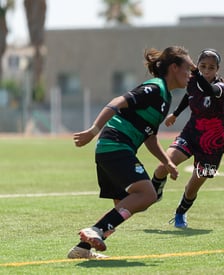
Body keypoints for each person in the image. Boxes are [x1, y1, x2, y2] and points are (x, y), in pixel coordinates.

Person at [67, 46, 196, 259]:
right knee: (147, 194)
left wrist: (167, 162)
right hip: (116, 145)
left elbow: (150, 136)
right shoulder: (155, 88)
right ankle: (96, 230)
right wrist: (93, 130)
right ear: (174, 67)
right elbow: (118, 101)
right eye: (188, 69)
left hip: (112, 148)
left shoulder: (166, 98)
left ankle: (82, 248)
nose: (190, 75)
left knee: (125, 205)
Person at [151, 48, 224, 228]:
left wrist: (194, 71)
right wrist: (175, 114)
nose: (206, 70)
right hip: (191, 133)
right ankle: (155, 190)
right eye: (202, 66)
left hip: (212, 143)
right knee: (164, 164)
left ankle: (180, 213)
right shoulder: (193, 81)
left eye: (211, 67)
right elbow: (189, 95)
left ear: (217, 69)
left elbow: (208, 90)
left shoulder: (223, 87)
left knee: (192, 188)